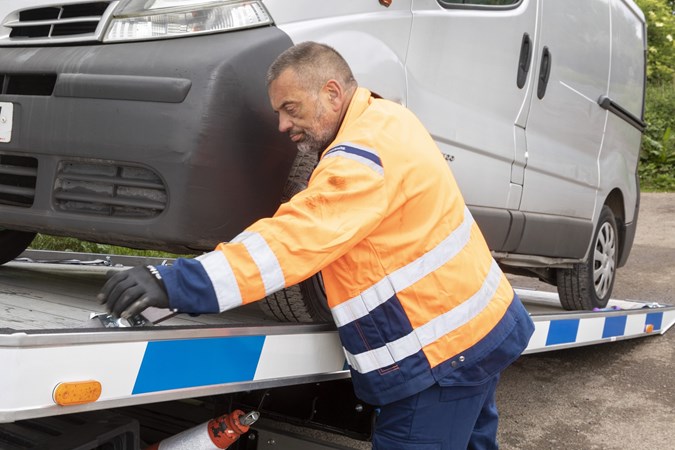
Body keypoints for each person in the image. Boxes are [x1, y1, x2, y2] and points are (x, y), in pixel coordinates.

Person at [99, 41, 535, 449]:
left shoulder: (361, 154)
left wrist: (180, 280)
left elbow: (295, 238)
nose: (283, 125)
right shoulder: (389, 117)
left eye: (291, 108)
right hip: (477, 332)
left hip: (439, 359)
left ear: (330, 92)